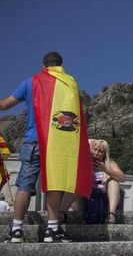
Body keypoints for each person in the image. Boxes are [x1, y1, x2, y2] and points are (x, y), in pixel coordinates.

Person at [0, 52, 93, 243]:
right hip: (58, 142)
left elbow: (4, 105)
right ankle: (52, 230)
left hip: (33, 141)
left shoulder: (30, 82)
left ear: (43, 65)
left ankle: (16, 230)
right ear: (61, 65)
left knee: (24, 185)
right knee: (55, 185)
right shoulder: (70, 84)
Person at [90, 139, 126, 222]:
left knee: (113, 181)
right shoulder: (86, 161)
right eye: (95, 150)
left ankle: (111, 214)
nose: (96, 153)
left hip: (104, 193)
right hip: (89, 193)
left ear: (104, 154)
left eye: (100, 151)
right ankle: (62, 213)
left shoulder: (109, 162)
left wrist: (106, 170)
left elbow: (122, 178)